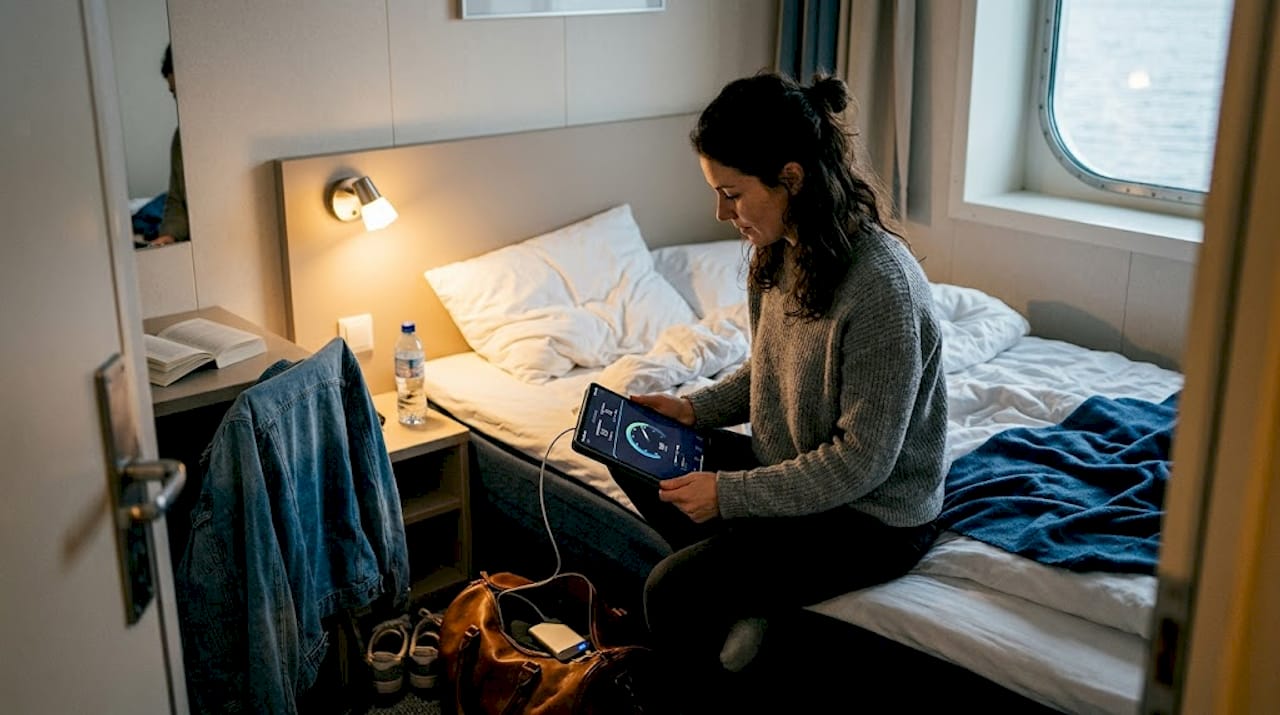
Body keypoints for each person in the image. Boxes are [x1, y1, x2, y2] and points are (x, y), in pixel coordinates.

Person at [607, 71, 948, 705]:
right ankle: (755, 590)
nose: (720, 212)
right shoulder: (778, 251)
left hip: (871, 517)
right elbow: (769, 374)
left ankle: (720, 646)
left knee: (668, 591)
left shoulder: (882, 288)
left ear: (791, 179)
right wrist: (689, 407)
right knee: (633, 449)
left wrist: (731, 495)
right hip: (794, 470)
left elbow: (861, 463)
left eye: (732, 194)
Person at [151, 44, 188, 246]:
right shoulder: (180, 140)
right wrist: (169, 235)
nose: (179, 102)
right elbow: (176, 201)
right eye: (174, 95)